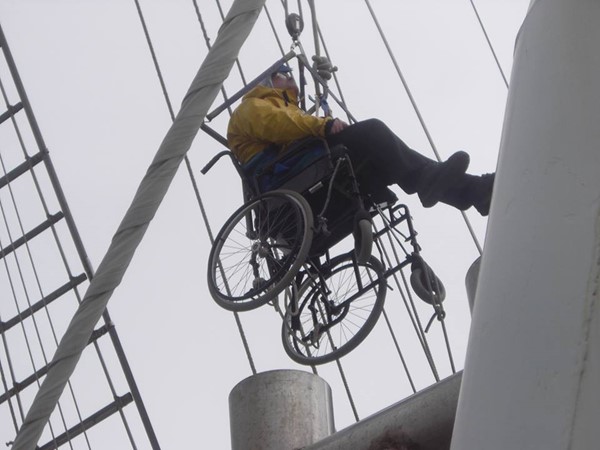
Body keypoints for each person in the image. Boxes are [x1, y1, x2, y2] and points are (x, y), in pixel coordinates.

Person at [227, 65, 494, 215]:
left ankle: (470, 191)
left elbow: (288, 124)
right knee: (373, 133)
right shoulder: (251, 106)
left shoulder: (285, 107)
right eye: (283, 74)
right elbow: (279, 126)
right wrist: (325, 124)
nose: (290, 77)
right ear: (270, 81)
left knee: (383, 157)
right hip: (288, 170)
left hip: (300, 163)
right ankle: (460, 188)